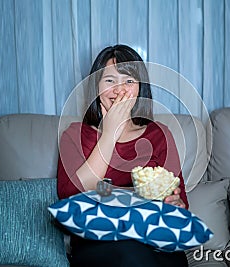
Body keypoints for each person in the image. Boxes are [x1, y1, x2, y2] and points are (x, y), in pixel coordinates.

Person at [57, 44, 189, 267]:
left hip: (152, 236)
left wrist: (176, 205)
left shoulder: (160, 135)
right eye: (110, 81)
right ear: (96, 88)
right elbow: (71, 194)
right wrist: (110, 133)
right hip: (98, 241)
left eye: (128, 81)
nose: (119, 90)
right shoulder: (74, 134)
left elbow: (181, 200)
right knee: (133, 256)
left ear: (140, 89)